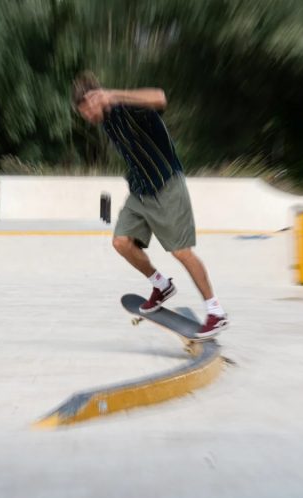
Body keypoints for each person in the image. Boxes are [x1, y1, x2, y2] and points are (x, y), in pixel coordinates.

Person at [72, 71, 228, 337]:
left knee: (181, 252)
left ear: (96, 98)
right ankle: (161, 284)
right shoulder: (107, 122)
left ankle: (216, 312)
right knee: (121, 242)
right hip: (140, 192)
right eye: (83, 115)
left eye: (87, 110)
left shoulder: (128, 107)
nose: (88, 117)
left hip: (167, 185)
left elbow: (159, 97)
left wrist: (114, 94)